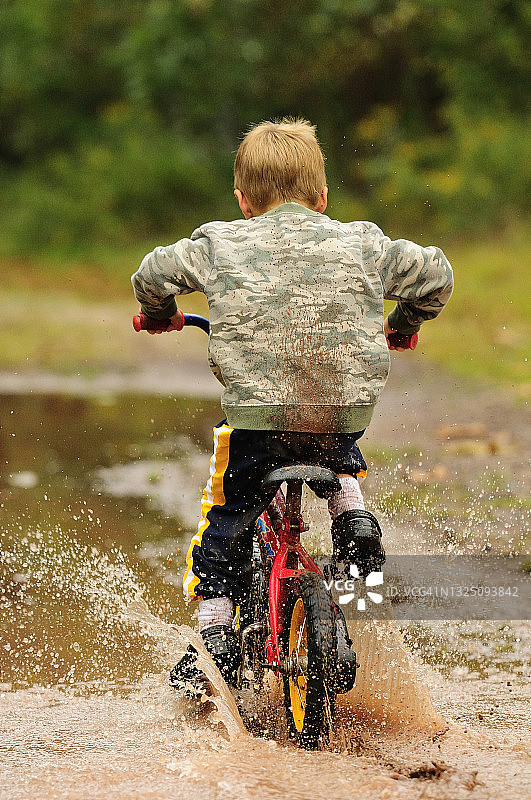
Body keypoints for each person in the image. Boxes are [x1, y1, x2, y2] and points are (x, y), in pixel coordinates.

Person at [131, 118, 453, 691]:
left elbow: (151, 275)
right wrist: (401, 324)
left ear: (243, 201)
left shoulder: (218, 241)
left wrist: (160, 316)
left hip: (256, 424)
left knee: (225, 516)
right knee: (337, 452)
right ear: (323, 198)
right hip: (339, 416)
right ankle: (352, 519)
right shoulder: (365, 242)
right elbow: (437, 277)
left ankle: (212, 642)